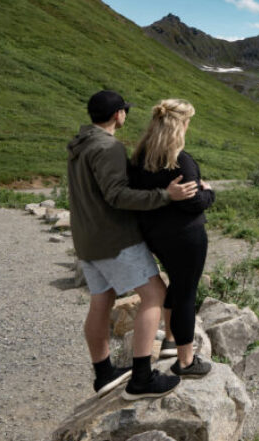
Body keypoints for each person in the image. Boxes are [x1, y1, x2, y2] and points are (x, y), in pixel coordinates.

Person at [67, 90, 196, 400]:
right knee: (155, 295)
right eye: (124, 111)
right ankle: (142, 378)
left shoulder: (79, 145)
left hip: (86, 240)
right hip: (113, 239)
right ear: (117, 115)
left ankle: (104, 373)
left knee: (102, 300)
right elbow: (117, 195)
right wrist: (167, 196)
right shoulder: (108, 147)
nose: (125, 115)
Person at [129, 99, 214, 378]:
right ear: (180, 126)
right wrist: (209, 191)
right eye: (188, 122)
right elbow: (194, 202)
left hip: (156, 236)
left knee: (175, 286)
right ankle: (186, 361)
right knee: (186, 294)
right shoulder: (180, 160)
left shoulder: (140, 158)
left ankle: (170, 342)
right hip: (186, 237)